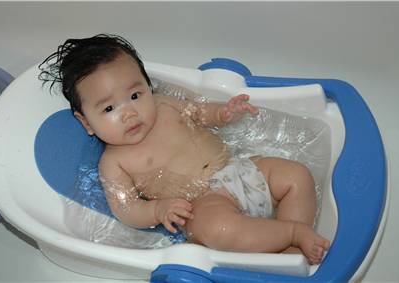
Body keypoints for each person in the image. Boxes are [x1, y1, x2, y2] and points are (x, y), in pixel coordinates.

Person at [39, 34, 330, 265]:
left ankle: (289, 253)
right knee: (219, 231)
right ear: (86, 122)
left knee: (297, 177)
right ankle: (292, 234)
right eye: (110, 108)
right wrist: (157, 209)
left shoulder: (165, 105)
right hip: (202, 204)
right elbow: (127, 209)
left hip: (238, 167)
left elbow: (200, 112)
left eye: (135, 95)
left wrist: (223, 114)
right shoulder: (114, 163)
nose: (129, 112)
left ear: (148, 87)